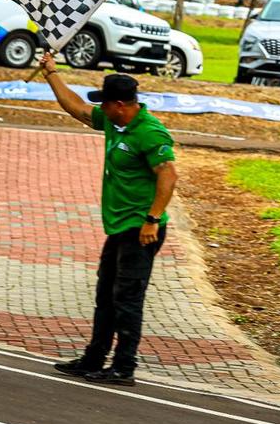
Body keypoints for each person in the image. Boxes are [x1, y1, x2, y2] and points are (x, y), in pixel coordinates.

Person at [40, 56, 178, 386]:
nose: (100, 109)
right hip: (119, 227)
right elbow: (77, 108)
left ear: (120, 104)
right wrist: (52, 74)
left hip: (141, 229)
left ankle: (124, 366)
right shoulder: (115, 123)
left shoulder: (148, 133)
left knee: (127, 298)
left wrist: (152, 219)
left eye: (106, 103)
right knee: (106, 294)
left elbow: (169, 176)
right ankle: (94, 357)